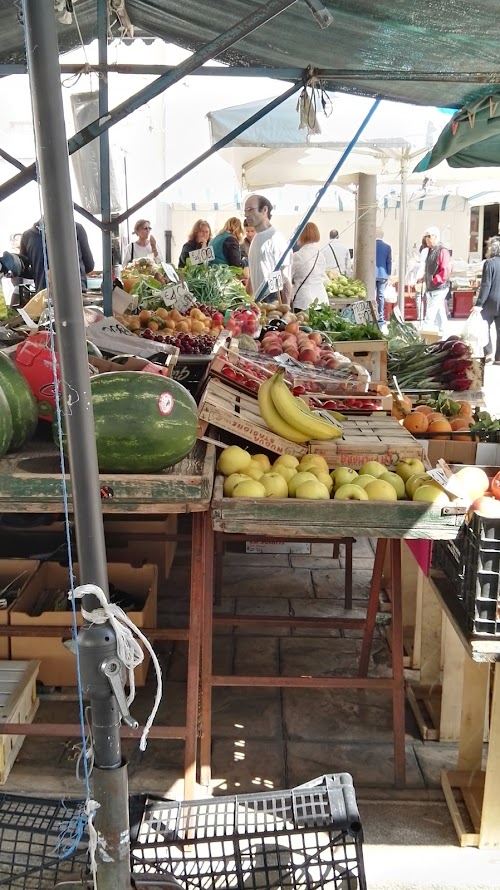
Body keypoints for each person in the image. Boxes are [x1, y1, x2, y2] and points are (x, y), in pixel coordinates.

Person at [20, 219, 94, 293]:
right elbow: (89, 265)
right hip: (76, 294)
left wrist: (40, 272)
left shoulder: (28, 236)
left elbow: (22, 269)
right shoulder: (76, 228)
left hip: (45, 295)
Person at [243, 194, 292, 303]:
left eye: (250, 210)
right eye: (245, 211)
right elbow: (253, 274)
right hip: (259, 302)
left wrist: (286, 309)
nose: (246, 214)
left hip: (273, 301)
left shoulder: (276, 238)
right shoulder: (256, 239)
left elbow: (285, 277)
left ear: (264, 210)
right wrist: (247, 301)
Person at [471, 235, 500, 363]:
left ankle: (488, 354)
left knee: (484, 327)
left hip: (490, 301)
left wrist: (479, 303)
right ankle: (499, 358)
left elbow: (486, 285)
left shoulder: (489, 263)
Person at [418, 226, 451, 334]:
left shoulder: (442, 251)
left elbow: (445, 271)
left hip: (439, 288)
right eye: (425, 236)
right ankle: (445, 335)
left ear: (435, 237)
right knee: (439, 314)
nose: (426, 239)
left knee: (430, 315)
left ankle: (423, 337)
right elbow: (431, 268)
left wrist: (434, 280)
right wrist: (425, 278)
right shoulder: (430, 251)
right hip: (431, 287)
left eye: (429, 236)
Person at [291, 222, 327, 311]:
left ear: (301, 235)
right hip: (322, 299)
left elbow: (289, 278)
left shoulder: (297, 256)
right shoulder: (321, 254)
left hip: (304, 301)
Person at [375, 228, 392, 327]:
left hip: (372, 274)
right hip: (383, 274)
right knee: (381, 296)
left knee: (372, 296)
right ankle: (380, 316)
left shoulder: (371, 246)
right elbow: (389, 261)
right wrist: (388, 274)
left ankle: (371, 314)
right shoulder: (387, 247)